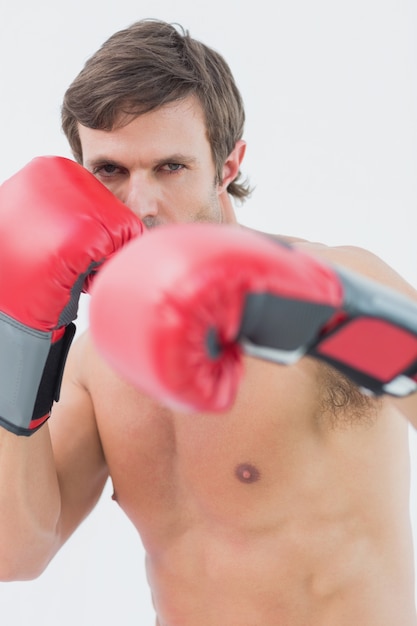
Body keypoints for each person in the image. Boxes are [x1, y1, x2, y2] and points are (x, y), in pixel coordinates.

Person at [0, 18, 417, 626]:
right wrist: (18, 335)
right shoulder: (93, 363)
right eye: (110, 171)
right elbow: (18, 553)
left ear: (227, 166)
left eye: (170, 167)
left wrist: (330, 319)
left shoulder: (336, 280)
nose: (139, 205)